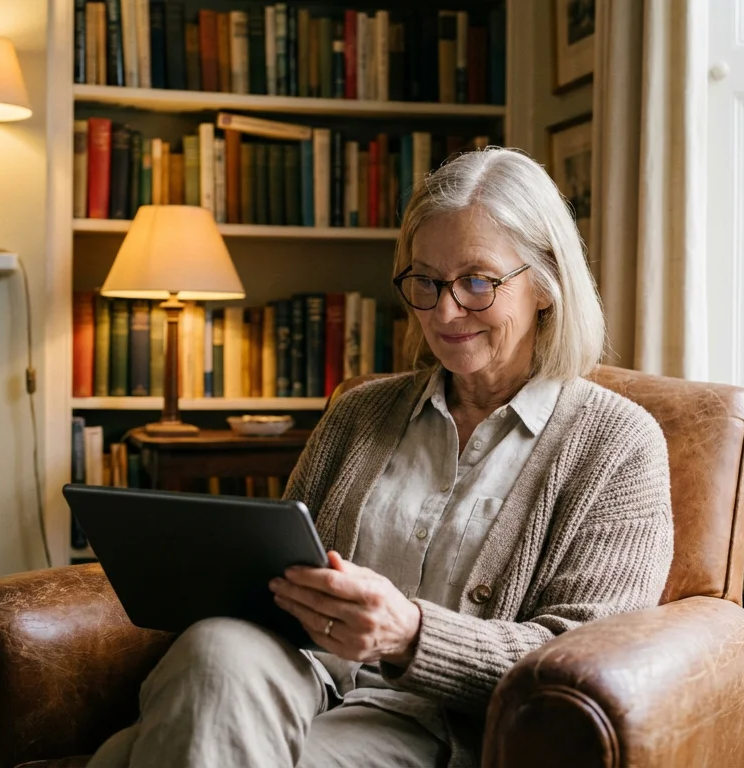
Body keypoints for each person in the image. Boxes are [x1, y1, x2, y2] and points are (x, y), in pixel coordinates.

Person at [88, 147, 674, 768]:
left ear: (547, 286)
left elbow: (587, 660)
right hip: (299, 677)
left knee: (128, 757)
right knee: (214, 648)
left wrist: (411, 635)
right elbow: (281, 569)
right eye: (425, 280)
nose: (445, 312)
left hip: (436, 724)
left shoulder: (619, 444)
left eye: (478, 281)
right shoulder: (360, 412)